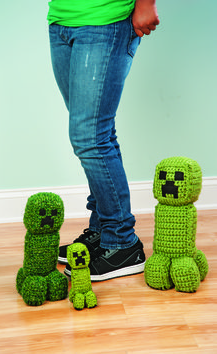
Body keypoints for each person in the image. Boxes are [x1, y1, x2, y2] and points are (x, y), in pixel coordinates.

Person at [48, 0, 159, 281]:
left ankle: (122, 242)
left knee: (90, 137)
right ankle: (102, 230)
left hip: (105, 19)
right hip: (62, 19)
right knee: (99, 133)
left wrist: (146, 3)